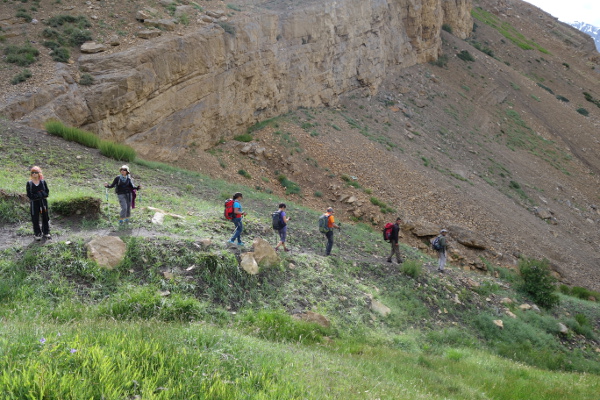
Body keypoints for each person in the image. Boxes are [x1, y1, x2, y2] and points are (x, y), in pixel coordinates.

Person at [26, 166, 51, 240]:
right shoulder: (29, 183)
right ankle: (37, 233)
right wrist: (37, 195)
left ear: (39, 173)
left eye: (35, 172)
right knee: (35, 218)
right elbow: (29, 194)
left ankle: (46, 232)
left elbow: (47, 192)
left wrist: (43, 194)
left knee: (45, 216)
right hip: (34, 203)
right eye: (32, 172)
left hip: (43, 202)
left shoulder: (43, 182)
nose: (34, 174)